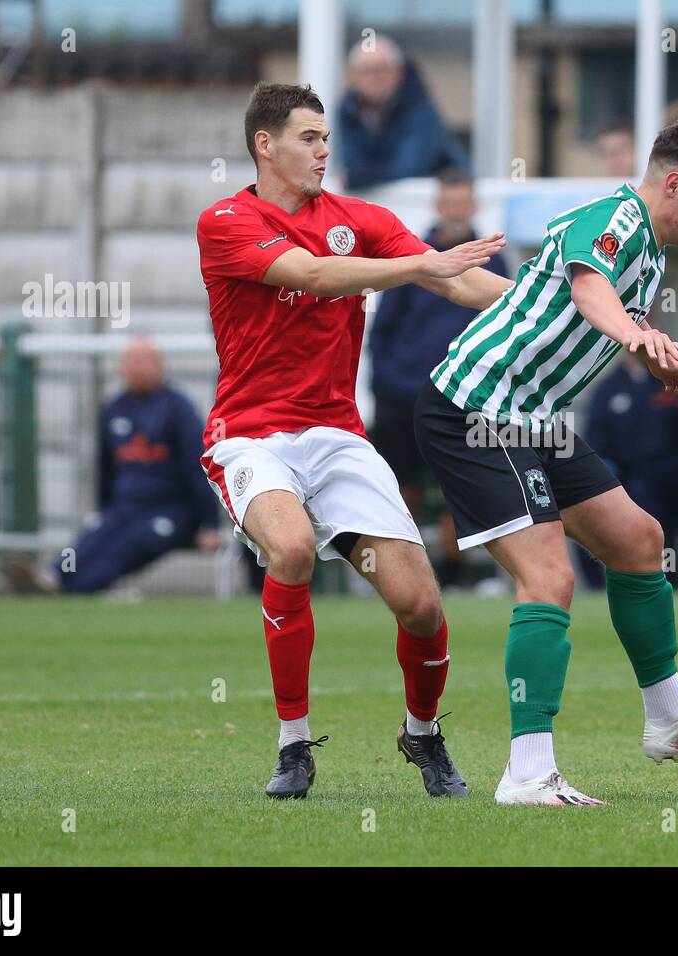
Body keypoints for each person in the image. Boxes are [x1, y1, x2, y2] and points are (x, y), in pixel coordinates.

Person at [414, 119, 678, 807]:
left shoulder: (651, 253)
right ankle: (526, 773)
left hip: (534, 417)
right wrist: (636, 332)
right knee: (549, 578)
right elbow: (588, 290)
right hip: (478, 410)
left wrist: (658, 358)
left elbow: (589, 313)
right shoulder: (614, 220)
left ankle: (669, 721)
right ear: (673, 183)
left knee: (639, 542)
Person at [196, 82, 512, 799]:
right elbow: (310, 273)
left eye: (326, 138)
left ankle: (423, 734)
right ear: (264, 145)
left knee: (422, 606)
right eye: (308, 138)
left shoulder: (359, 217)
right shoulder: (223, 220)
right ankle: (293, 746)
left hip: (337, 437)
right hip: (250, 436)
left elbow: (461, 286)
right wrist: (422, 263)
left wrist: (572, 307)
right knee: (294, 550)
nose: (323, 151)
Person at [367, 168, 510, 588]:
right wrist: (389, 384)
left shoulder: (492, 259)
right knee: (402, 488)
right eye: (449, 201)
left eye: (462, 201)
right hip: (403, 395)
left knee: (456, 488)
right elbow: (383, 331)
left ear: (473, 206)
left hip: (463, 396)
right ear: (438, 205)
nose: (455, 209)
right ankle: (405, 572)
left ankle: (453, 573)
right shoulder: (415, 255)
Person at [7, 337, 222, 594]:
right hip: (124, 506)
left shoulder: (178, 408)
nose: (136, 368)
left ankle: (71, 589)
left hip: (169, 510)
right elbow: (105, 469)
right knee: (91, 538)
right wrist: (104, 508)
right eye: (130, 362)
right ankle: (51, 576)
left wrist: (210, 523)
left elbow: (196, 465)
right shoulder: (114, 409)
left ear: (160, 367)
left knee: (126, 547)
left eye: (143, 361)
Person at [581, 353, 678, 587]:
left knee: (648, 496)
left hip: (674, 479)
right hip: (623, 479)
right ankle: (599, 587)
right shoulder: (608, 388)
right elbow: (595, 444)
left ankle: (665, 580)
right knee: (582, 504)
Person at [337, 34, 471, 189]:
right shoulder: (347, 111)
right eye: (367, 71)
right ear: (354, 76)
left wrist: (357, 178)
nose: (375, 78)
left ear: (398, 73)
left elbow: (411, 167)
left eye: (382, 70)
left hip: (438, 205)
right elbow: (351, 162)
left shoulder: (422, 111)